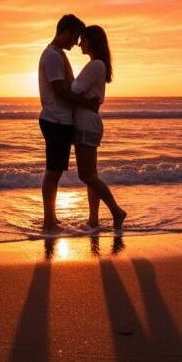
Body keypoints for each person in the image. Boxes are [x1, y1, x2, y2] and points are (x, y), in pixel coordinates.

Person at [37, 14, 99, 232]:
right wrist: (86, 103)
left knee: (54, 171)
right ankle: (48, 222)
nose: (76, 43)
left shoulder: (57, 54)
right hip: (56, 120)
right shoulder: (53, 56)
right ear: (65, 32)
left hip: (59, 120)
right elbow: (61, 90)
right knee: (53, 172)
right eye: (74, 38)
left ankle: (51, 220)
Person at [71, 25, 127, 230]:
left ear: (92, 41)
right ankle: (93, 219)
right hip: (89, 120)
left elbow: (75, 88)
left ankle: (116, 211)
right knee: (91, 174)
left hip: (86, 122)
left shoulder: (95, 65)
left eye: (83, 40)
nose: (79, 44)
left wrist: (68, 82)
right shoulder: (98, 65)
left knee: (85, 175)